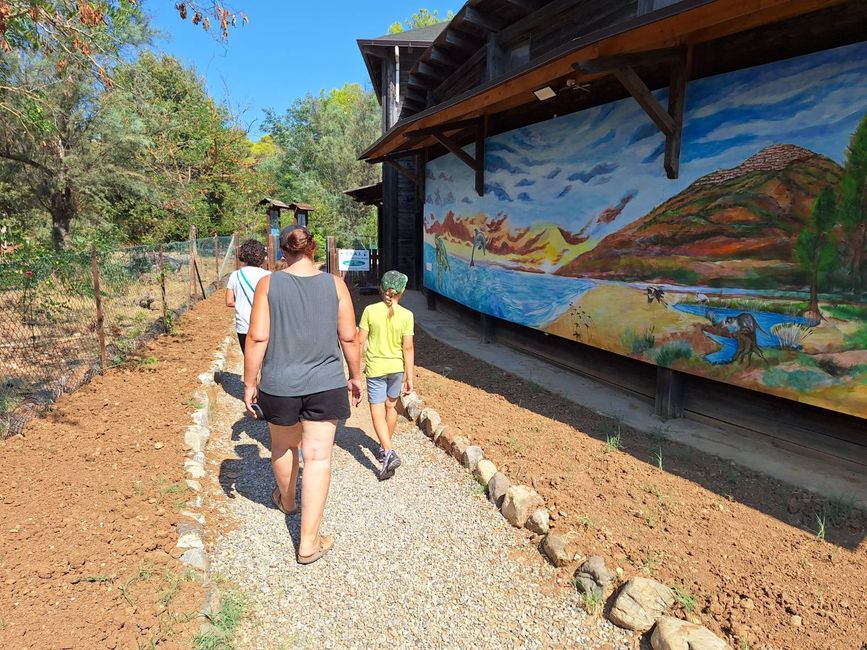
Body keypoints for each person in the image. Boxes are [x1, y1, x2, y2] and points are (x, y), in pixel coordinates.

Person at [243, 225, 362, 565]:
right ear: (313, 250)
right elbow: (350, 337)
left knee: (282, 446)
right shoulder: (336, 285)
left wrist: (250, 382)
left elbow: (256, 338)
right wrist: (355, 376)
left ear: (282, 252)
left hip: (279, 384)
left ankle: (288, 501)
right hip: (326, 383)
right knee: (319, 457)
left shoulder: (268, 284)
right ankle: (308, 543)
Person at [357, 270, 414, 481]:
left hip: (375, 368)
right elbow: (408, 348)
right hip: (396, 368)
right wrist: (410, 378)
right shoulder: (407, 315)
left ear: (381, 288)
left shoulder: (370, 311)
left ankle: (388, 452)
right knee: (391, 407)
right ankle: (384, 447)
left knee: (377, 409)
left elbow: (359, 340)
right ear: (403, 291)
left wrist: (353, 368)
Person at [225, 239, 270, 353]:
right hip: (265, 326)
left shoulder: (235, 275)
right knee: (266, 362)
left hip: (244, 327)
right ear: (262, 257)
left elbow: (229, 301)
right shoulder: (269, 276)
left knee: (250, 362)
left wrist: (241, 302)